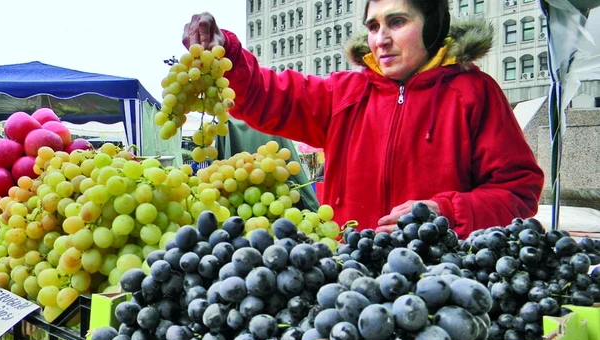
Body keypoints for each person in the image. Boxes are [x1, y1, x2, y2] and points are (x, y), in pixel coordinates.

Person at [182, 0, 544, 238]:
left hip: (440, 285)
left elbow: (518, 191)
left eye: (397, 22)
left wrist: (446, 211)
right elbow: (267, 96)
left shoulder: (474, 93)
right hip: (350, 275)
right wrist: (225, 50)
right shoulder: (346, 93)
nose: (381, 39)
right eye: (373, 26)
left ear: (433, 25)